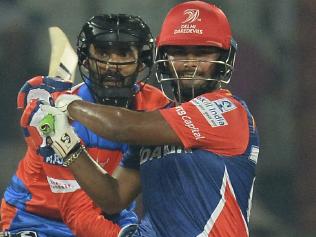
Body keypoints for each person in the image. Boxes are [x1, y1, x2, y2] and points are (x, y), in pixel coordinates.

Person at [36, 1, 259, 236]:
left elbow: (122, 126)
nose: (191, 63)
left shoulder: (228, 112)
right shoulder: (155, 125)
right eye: (180, 53)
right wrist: (64, 142)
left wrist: (68, 104)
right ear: (164, 58)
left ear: (225, 58)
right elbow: (113, 198)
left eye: (203, 53)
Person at [0, 14, 170, 237]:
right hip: (34, 220)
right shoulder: (52, 115)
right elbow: (78, 215)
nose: (112, 65)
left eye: (123, 53)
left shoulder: (157, 107)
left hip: (111, 216)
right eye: (103, 52)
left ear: (142, 61)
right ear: (86, 59)